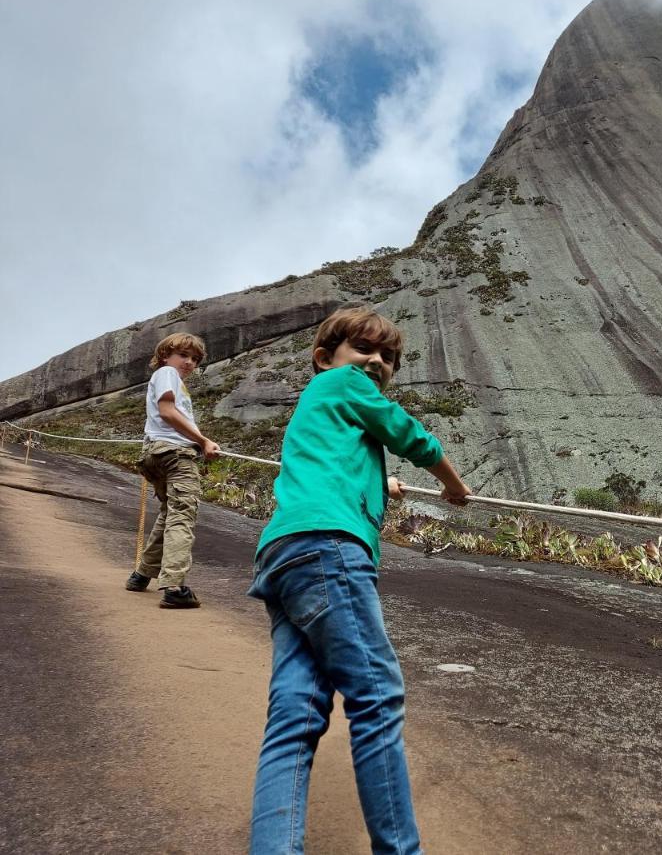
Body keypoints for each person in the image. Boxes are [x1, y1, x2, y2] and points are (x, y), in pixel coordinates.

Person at [247, 306, 471, 855]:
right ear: (326, 359)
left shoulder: (323, 407)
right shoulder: (342, 384)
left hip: (285, 557)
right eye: (364, 350)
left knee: (296, 714)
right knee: (377, 696)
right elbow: (406, 433)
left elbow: (336, 462)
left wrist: (384, 482)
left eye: (388, 357)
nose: (376, 362)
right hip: (328, 551)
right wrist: (452, 482)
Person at [125, 331, 220, 607]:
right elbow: (167, 411)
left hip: (157, 454)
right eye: (183, 355)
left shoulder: (173, 380)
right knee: (183, 515)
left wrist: (200, 443)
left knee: (170, 514)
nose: (189, 362)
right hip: (175, 455)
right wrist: (202, 441)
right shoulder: (167, 373)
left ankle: (142, 574)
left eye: (195, 359)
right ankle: (174, 587)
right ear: (165, 355)